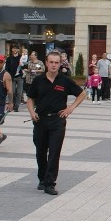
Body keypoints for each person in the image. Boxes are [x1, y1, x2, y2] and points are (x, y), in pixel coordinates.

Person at [26, 51, 86, 195]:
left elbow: (82, 94)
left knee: (54, 152)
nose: (53, 65)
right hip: (40, 120)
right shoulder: (38, 80)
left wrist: (70, 108)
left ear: (60, 64)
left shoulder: (65, 80)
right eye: (51, 62)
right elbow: (30, 98)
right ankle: (42, 179)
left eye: (56, 63)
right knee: (41, 151)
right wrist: (32, 113)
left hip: (57, 120)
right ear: (46, 63)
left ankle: (50, 183)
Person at [5, 46, 25, 111]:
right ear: (12, 50)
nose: (15, 50)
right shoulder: (9, 58)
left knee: (19, 92)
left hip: (20, 77)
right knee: (12, 92)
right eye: (14, 48)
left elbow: (24, 66)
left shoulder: (21, 57)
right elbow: (7, 68)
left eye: (16, 48)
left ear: (18, 50)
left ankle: (16, 106)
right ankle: (12, 104)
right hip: (11, 77)